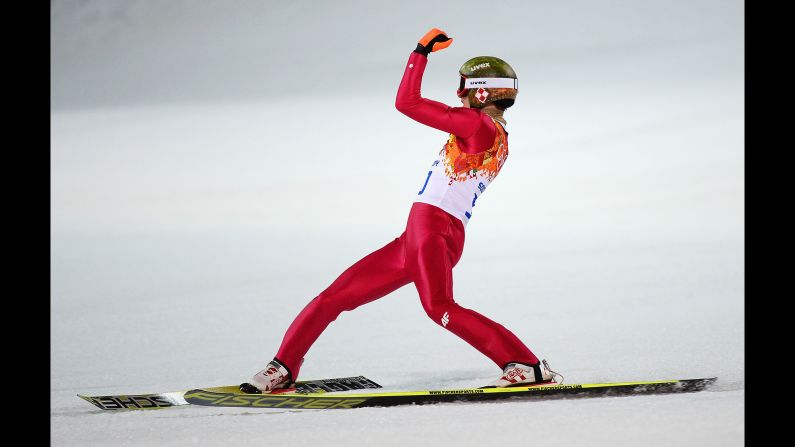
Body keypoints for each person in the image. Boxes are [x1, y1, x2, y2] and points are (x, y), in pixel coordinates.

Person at [246, 28, 559, 393]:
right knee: (333, 298)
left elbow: (406, 102)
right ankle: (282, 367)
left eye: (463, 87)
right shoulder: (494, 133)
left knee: (439, 308)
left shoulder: (477, 124)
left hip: (433, 232)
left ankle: (525, 363)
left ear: (481, 91)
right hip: (419, 236)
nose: (458, 95)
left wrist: (420, 52)